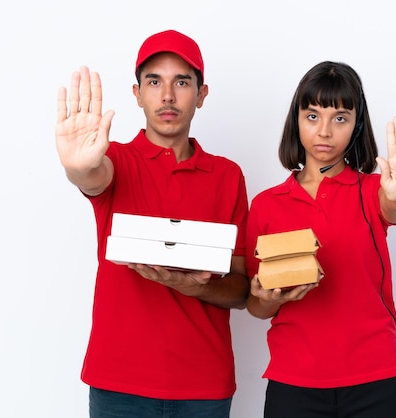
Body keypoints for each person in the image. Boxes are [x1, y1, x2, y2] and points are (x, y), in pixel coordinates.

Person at [55, 29, 250, 418]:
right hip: (119, 386)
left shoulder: (228, 176)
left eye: (181, 82)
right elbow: (95, 177)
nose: (167, 96)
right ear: (137, 93)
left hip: (204, 386)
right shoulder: (116, 160)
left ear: (201, 94)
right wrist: (78, 167)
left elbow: (241, 290)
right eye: (154, 81)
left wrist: (189, 285)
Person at [245, 61, 396, 418]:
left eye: (340, 118)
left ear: (357, 126)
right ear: (296, 120)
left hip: (377, 380)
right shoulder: (266, 205)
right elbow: (256, 306)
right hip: (294, 384)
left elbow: (393, 207)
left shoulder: (373, 191)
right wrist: (263, 297)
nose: (324, 131)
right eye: (312, 116)